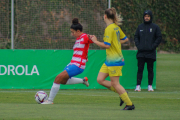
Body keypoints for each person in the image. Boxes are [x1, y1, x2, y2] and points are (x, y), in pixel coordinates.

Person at [90, 7, 135, 110]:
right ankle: (122, 92)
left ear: (105, 16)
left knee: (115, 83)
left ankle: (129, 104)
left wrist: (95, 41)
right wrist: (116, 43)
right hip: (109, 60)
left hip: (115, 60)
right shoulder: (116, 27)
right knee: (100, 79)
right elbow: (125, 39)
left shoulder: (109, 29)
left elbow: (107, 45)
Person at [42, 18, 93, 104]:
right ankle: (83, 80)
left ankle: (50, 101)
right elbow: (83, 50)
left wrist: (95, 39)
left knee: (57, 78)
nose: (72, 34)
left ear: (78, 31)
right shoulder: (78, 38)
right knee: (63, 81)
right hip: (72, 63)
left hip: (78, 65)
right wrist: (85, 56)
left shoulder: (84, 37)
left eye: (73, 32)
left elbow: (92, 39)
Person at [134, 10, 162, 92]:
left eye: (148, 16)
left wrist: (153, 46)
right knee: (140, 69)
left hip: (151, 52)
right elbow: (136, 37)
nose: (146, 18)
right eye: (145, 16)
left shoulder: (155, 27)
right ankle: (138, 86)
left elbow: (159, 37)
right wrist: (139, 46)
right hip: (141, 53)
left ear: (150, 17)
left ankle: (150, 86)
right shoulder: (140, 27)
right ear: (143, 17)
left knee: (150, 69)